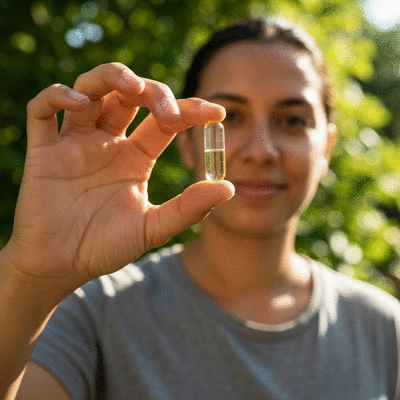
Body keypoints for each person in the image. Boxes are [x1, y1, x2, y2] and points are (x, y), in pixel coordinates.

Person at [0, 16, 399, 400]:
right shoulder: (92, 315)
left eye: (292, 120)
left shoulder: (384, 330)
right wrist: (30, 276)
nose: (261, 151)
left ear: (326, 147)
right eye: (231, 118)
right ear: (188, 142)